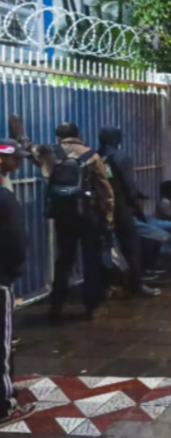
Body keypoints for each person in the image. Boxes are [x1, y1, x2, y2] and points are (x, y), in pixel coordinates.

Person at [12, 120, 116, 321]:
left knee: (63, 260)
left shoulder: (49, 152)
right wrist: (109, 216)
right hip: (88, 214)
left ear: (58, 136)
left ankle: (56, 306)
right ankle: (91, 307)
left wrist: (20, 135)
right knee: (91, 260)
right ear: (78, 134)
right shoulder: (91, 155)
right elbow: (105, 189)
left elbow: (30, 149)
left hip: (63, 214)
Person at [99, 127, 161, 299]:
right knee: (131, 246)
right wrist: (135, 202)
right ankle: (136, 284)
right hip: (120, 207)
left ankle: (107, 284)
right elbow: (129, 185)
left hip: (100, 207)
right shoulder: (120, 157)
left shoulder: (96, 156)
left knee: (103, 247)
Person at [0, 139, 36, 427]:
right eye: (16, 159)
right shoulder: (4, 197)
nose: (20, 164)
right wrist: (12, 271)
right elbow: (15, 242)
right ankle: (4, 405)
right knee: (2, 345)